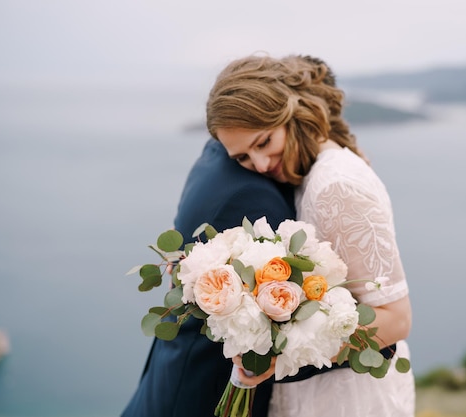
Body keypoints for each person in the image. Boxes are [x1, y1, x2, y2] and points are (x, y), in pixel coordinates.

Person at [206, 54, 416, 416]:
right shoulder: (309, 172)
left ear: (291, 115)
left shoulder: (335, 185)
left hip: (351, 399)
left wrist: (280, 350)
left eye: (263, 142)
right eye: (241, 157)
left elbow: (397, 319)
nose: (259, 165)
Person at [121, 138, 296, 417]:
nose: (260, 163)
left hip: (172, 375)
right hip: (199, 394)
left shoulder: (217, 155)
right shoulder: (251, 192)